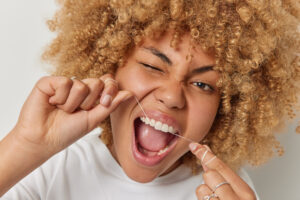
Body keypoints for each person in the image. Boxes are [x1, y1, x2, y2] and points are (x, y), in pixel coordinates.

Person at [0, 0, 299, 199]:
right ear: (110, 66)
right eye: (153, 66)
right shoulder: (50, 164)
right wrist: (25, 146)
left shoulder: (223, 190)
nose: (171, 96)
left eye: (203, 84)